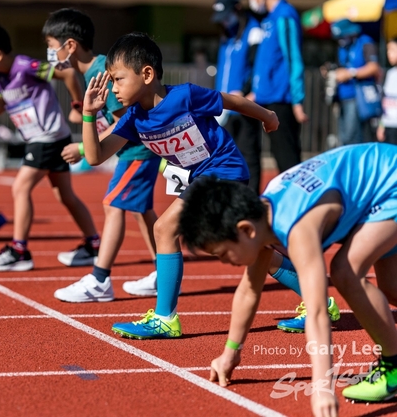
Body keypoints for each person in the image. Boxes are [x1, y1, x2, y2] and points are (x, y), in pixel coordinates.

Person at [79, 32, 338, 339]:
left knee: (164, 229)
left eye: (118, 79)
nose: (113, 88)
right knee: (245, 250)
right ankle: (320, 299)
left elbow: (232, 100)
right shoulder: (134, 119)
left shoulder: (184, 96)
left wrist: (267, 116)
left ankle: (165, 318)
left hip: (223, 170)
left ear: (147, 74)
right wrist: (89, 113)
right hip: (201, 178)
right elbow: (96, 156)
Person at [179, 143, 397, 416]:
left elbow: (317, 312)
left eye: (222, 253)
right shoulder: (262, 220)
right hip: (377, 187)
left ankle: (394, 368)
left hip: (390, 184)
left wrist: (321, 388)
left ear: (245, 230)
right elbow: (248, 291)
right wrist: (230, 353)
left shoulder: (298, 227)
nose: (224, 262)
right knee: (391, 290)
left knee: (345, 271)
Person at [42, 8, 161, 302]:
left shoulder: (100, 74)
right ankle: (164, 272)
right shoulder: (91, 72)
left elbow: (127, 121)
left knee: (112, 205)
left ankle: (99, 280)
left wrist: (83, 148)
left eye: (50, 47)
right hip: (134, 153)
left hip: (137, 152)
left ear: (70, 46)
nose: (49, 54)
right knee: (142, 212)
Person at [0, 22, 100, 272]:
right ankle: (93, 243)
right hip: (44, 139)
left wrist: (78, 107)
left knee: (20, 187)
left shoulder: (25, 67)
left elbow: (67, 73)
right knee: (65, 195)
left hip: (46, 138)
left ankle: (19, 250)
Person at [242, 0, 308, 173]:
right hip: (265, 98)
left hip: (281, 99)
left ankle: (299, 200)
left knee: (287, 159)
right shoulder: (269, 19)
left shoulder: (285, 15)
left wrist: (297, 100)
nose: (251, 1)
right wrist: (256, 90)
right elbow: (267, 62)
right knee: (276, 154)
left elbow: (294, 57)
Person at [212, 0, 264, 193]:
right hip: (223, 108)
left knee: (248, 155)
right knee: (225, 157)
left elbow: (257, 68)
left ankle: (250, 201)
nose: (224, 22)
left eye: (227, 16)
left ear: (237, 10)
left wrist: (244, 91)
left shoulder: (253, 32)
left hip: (243, 106)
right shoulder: (227, 37)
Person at [330, 19, 380, 146]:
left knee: (353, 136)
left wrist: (350, 73)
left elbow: (374, 67)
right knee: (344, 136)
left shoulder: (365, 42)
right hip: (343, 96)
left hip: (358, 96)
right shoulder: (342, 47)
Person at [377, 38, 397, 145]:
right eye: (388, 50)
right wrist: (381, 125)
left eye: (393, 50)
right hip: (389, 125)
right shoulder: (389, 74)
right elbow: (385, 101)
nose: (389, 53)